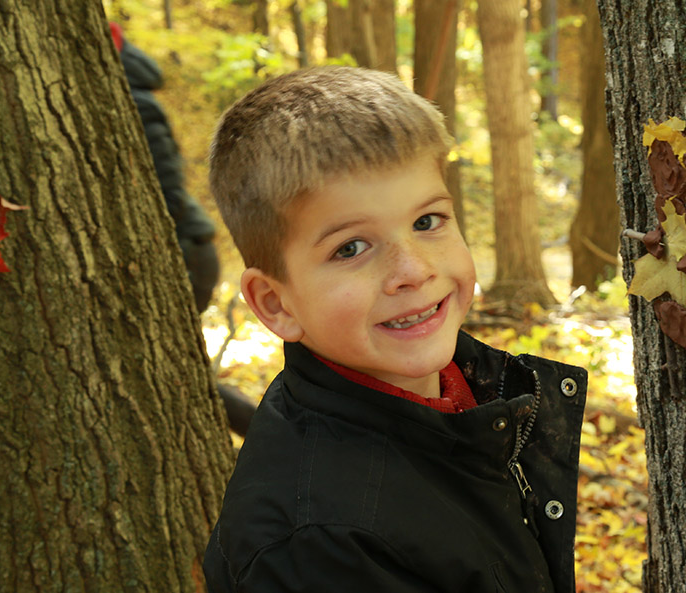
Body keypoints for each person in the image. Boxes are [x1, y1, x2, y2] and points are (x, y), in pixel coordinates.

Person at [202, 66, 588, 592]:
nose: (413, 270)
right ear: (276, 302)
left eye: (427, 221)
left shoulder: (468, 401)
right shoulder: (317, 544)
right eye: (351, 248)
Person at [110, 23, 258, 436]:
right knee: (183, 376)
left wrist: (159, 254)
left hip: (185, 252)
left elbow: (166, 188)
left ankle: (279, 442)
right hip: (182, 249)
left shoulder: (136, 103)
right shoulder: (128, 97)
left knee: (180, 378)